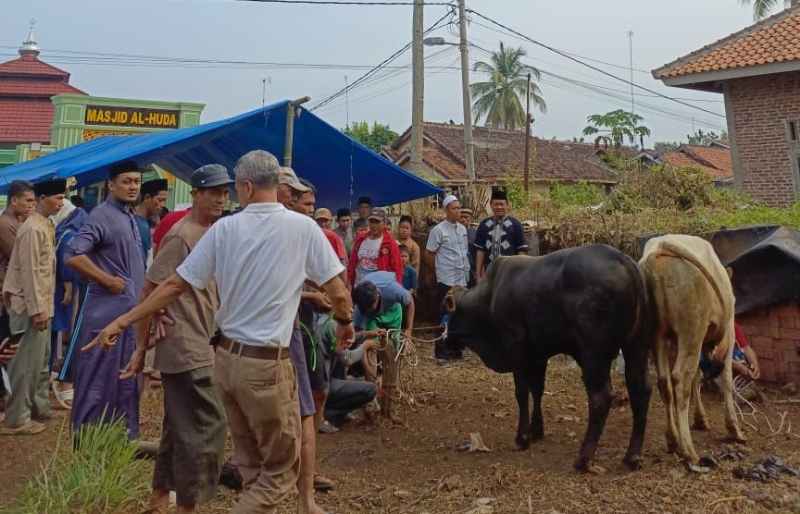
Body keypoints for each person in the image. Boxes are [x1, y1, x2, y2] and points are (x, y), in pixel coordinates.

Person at [85, 150, 353, 514]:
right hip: (267, 366)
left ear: (245, 186)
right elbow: (337, 290)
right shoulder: (302, 228)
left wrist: (122, 321)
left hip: (225, 362)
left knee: (251, 465)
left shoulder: (225, 229)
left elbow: (172, 286)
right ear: (275, 184)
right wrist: (344, 323)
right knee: (280, 471)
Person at [121, 164, 231, 514]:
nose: (220, 198)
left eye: (224, 192)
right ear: (196, 194)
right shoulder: (181, 235)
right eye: (212, 191)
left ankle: (159, 497)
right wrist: (141, 347)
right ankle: (188, 502)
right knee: (208, 425)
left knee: (179, 423)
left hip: (200, 335)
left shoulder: (213, 232)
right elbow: (150, 290)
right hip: (184, 343)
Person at [66, 160, 145, 440]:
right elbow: (74, 255)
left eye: (136, 181)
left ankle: (118, 441)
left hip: (127, 315)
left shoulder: (128, 216)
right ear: (111, 185)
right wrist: (107, 280)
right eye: (126, 181)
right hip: (105, 315)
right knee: (97, 381)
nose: (133, 186)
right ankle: (86, 443)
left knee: (122, 380)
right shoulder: (101, 215)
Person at [281, 175, 340, 500]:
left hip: (307, 325)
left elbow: (328, 276)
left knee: (315, 395)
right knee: (303, 400)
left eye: (314, 205)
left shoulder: (311, 235)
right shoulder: (287, 232)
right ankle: (296, 474)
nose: (311, 210)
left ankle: (304, 469)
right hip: (291, 328)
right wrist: (313, 297)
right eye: (307, 205)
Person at [1, 178, 66, 436]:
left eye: (63, 198)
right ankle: (17, 418)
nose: (61, 203)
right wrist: (37, 309)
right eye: (57, 198)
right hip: (28, 306)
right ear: (42, 199)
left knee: (40, 362)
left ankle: (39, 407)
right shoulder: (32, 229)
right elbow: (29, 272)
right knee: (24, 364)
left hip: (42, 304)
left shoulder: (45, 225)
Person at [352, 271, 415, 420]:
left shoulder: (391, 289)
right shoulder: (360, 304)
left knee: (392, 356)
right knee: (370, 349)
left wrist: (409, 331)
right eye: (366, 308)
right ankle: (371, 398)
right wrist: (369, 335)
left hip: (393, 313)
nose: (371, 308)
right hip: (372, 321)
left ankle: (390, 402)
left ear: (378, 295)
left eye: (373, 306)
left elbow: (410, 302)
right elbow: (359, 337)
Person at [0, 181, 35, 416]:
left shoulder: (16, 223)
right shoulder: (5, 224)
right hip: (4, 295)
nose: (32, 205)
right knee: (5, 348)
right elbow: (18, 258)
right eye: (28, 201)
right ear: (14, 201)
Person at [51, 199, 89, 409]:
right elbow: (70, 258)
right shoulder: (71, 233)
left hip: (71, 287)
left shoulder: (67, 230)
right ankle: (64, 378)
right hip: (74, 288)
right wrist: (67, 284)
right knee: (70, 332)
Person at [426, 195, 470, 361]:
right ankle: (441, 351)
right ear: (446, 210)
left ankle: (456, 349)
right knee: (444, 315)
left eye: (459, 208)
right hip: (446, 279)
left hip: (461, 279)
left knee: (459, 315)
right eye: (454, 208)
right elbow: (429, 254)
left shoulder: (463, 229)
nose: (458, 211)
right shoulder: (438, 230)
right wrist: (437, 272)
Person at [314, 314, 377, 429]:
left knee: (356, 380)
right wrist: (365, 346)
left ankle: (327, 411)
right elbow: (348, 358)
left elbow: (347, 339)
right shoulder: (332, 329)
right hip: (322, 387)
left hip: (322, 385)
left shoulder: (325, 322)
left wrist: (367, 334)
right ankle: (328, 414)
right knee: (370, 389)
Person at [474, 188, 528, 281]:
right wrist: (478, 275)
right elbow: (480, 251)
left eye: (501, 204)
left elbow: (521, 251)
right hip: (489, 273)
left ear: (507, 205)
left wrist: (521, 274)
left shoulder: (515, 225)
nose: (499, 207)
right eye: (496, 204)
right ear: (491, 205)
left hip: (510, 274)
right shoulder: (484, 225)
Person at [348, 208, 403, 287]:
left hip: (379, 290)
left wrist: (397, 287)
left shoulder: (390, 243)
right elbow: (352, 263)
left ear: (384, 223)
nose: (373, 225)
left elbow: (397, 269)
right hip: (358, 287)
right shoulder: (360, 239)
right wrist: (349, 282)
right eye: (371, 221)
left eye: (377, 222)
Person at [135, 179, 169, 266]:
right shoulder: (136, 223)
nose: (162, 205)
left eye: (164, 201)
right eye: (160, 200)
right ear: (147, 197)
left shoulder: (148, 223)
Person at [460, 208, 477, 286]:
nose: (463, 219)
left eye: (466, 217)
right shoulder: (452, 232)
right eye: (461, 217)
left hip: (472, 270)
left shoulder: (475, 234)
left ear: (471, 219)